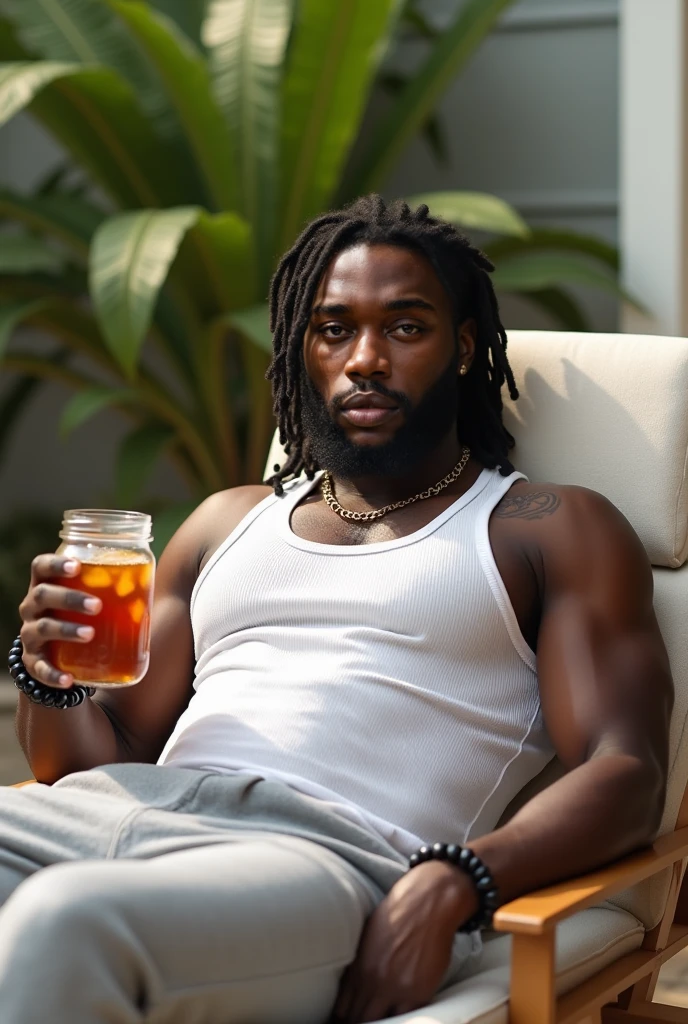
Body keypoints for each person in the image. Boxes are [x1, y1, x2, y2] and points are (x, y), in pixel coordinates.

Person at [1, 195, 672, 1024]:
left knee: (66, 923)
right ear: (301, 350)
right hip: (107, 811)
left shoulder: (543, 528)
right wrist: (45, 676)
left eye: (405, 327)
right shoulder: (225, 521)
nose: (365, 359)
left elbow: (625, 770)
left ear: (464, 348)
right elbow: (98, 755)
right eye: (332, 329)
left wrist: (455, 879)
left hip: (319, 859)